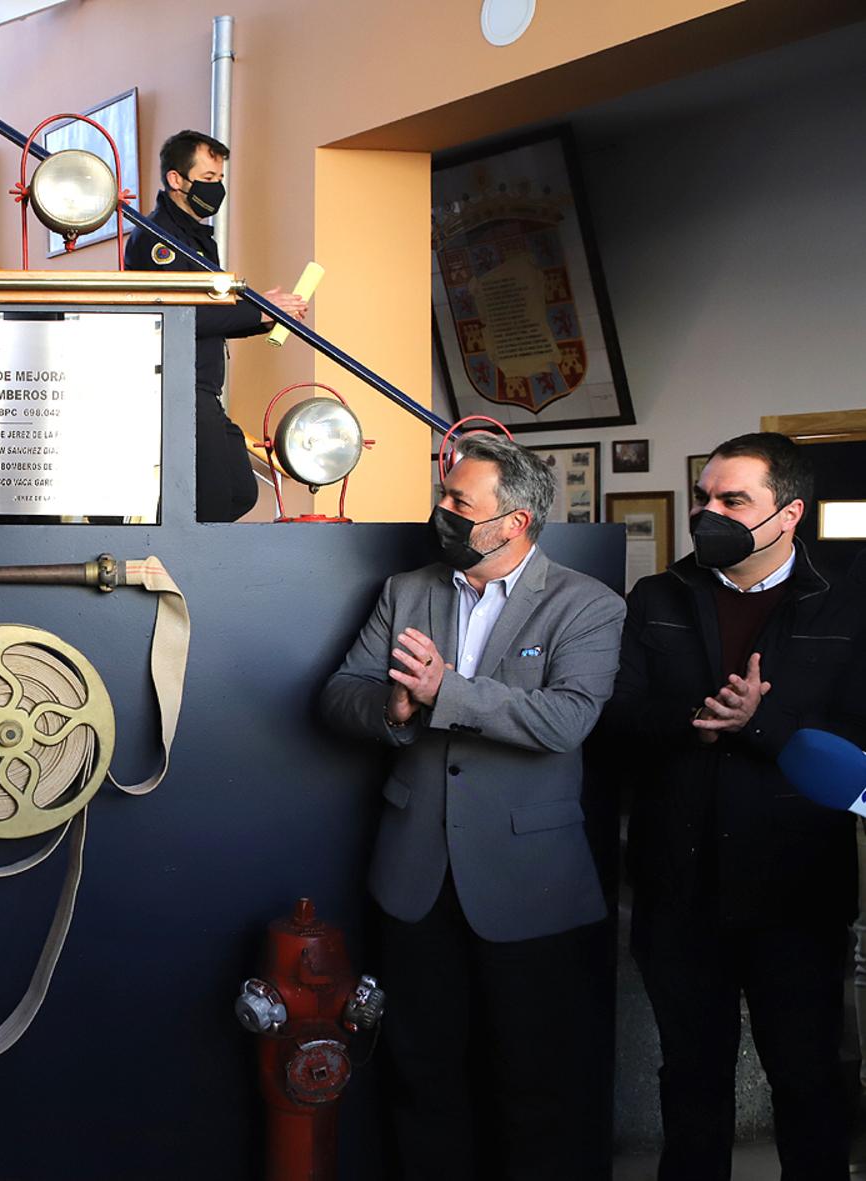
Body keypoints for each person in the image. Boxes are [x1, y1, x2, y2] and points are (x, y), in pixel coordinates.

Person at [318, 432, 625, 1180]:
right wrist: (393, 707)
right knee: (422, 1078)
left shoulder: (588, 606)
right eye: (445, 494)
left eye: (460, 501)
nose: (442, 511)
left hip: (531, 888)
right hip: (415, 880)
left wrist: (443, 692)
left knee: (533, 1088)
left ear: (512, 521)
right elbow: (337, 695)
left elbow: (565, 720)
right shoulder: (407, 590)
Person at [604, 432, 866, 1179]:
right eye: (703, 497)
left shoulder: (845, 604)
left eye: (731, 500)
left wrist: (761, 723)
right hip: (677, 893)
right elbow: (615, 719)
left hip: (796, 894)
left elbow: (855, 741)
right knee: (690, 1085)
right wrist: (699, 715)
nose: (706, 512)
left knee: (807, 1082)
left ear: (788, 514)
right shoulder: (656, 597)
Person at [124, 129, 306, 522]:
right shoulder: (159, 239)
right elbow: (180, 314)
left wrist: (266, 314)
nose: (216, 188)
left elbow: (211, 314)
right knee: (215, 497)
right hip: (176, 386)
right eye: (207, 180)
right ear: (176, 180)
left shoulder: (196, 237)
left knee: (240, 491)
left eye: (220, 180)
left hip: (203, 389)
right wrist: (260, 310)